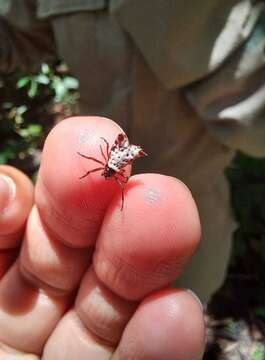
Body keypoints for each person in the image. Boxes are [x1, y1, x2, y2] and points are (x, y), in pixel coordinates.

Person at [0, 0, 265, 356]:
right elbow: (20, 35)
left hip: (186, 205)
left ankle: (188, 319)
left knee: (179, 297)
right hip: (90, 227)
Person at [0, 116, 205, 359]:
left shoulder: (112, 168)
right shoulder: (114, 171)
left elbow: (107, 165)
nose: (106, 175)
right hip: (120, 157)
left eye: (108, 173)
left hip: (120, 158)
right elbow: (109, 168)